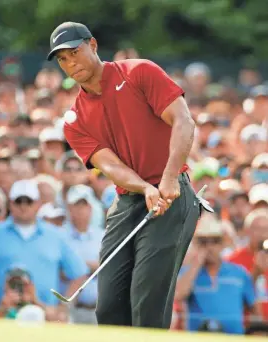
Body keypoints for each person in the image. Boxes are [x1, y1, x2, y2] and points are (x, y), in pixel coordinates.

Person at [47, 21, 201, 328]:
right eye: (62, 59)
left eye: (74, 52)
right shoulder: (74, 119)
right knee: (109, 309)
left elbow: (183, 121)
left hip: (172, 196)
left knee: (147, 303)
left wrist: (168, 179)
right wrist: (145, 187)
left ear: (93, 45)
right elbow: (111, 166)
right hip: (129, 200)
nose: (70, 63)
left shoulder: (139, 72)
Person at [0, 179, 89, 321]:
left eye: (28, 201)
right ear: (10, 203)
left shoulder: (55, 235)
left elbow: (79, 273)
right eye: (18, 201)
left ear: (38, 204)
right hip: (2, 314)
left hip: (44, 316)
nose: (23, 206)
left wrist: (63, 307)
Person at [175, 214, 257, 334]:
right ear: (197, 244)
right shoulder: (188, 272)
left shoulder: (239, 272)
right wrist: (197, 263)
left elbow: (254, 309)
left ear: (222, 244)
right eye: (203, 242)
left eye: (215, 241)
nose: (210, 247)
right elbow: (179, 295)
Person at [63, 185, 104, 324]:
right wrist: (91, 267)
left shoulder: (102, 236)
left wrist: (78, 267)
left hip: (98, 310)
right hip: (70, 309)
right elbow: (61, 271)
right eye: (76, 205)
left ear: (91, 208)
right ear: (69, 208)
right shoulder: (60, 236)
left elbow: (108, 268)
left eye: (84, 205)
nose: (80, 210)